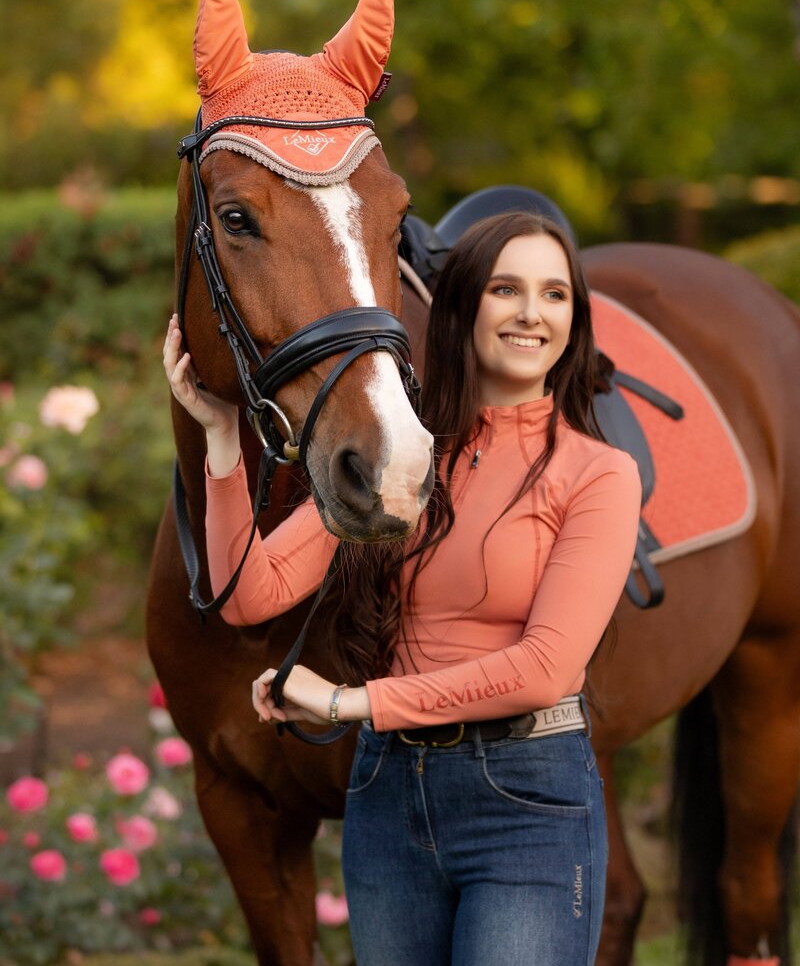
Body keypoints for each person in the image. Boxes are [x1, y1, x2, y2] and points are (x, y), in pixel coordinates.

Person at [163, 211, 641, 966]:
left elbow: (547, 668)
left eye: (555, 295)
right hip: (389, 795)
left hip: (527, 800)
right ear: (458, 311)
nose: (530, 313)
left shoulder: (598, 475)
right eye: (505, 289)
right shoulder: (405, 461)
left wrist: (353, 703)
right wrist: (222, 438)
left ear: (574, 321)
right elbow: (248, 593)